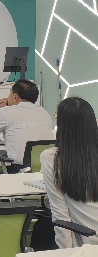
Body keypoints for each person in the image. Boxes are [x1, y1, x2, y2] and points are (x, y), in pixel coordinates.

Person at [40, 97, 98, 248]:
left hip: (89, 247)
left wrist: (65, 253)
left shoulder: (52, 158)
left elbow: (60, 214)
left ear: (62, 125)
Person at [0, 79, 54, 173]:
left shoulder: (5, 112)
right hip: (44, 170)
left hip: (19, 170)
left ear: (15, 97)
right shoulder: (44, 113)